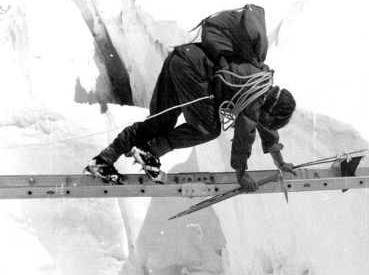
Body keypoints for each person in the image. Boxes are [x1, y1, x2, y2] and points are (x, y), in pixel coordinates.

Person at [84, 42, 296, 191]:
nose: (266, 121)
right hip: (192, 69)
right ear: (272, 110)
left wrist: (280, 161)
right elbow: (244, 137)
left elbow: (263, 127)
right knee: (208, 128)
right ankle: (150, 151)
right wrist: (241, 174)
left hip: (181, 57)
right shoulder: (256, 98)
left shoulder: (261, 83)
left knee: (160, 122)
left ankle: (104, 160)